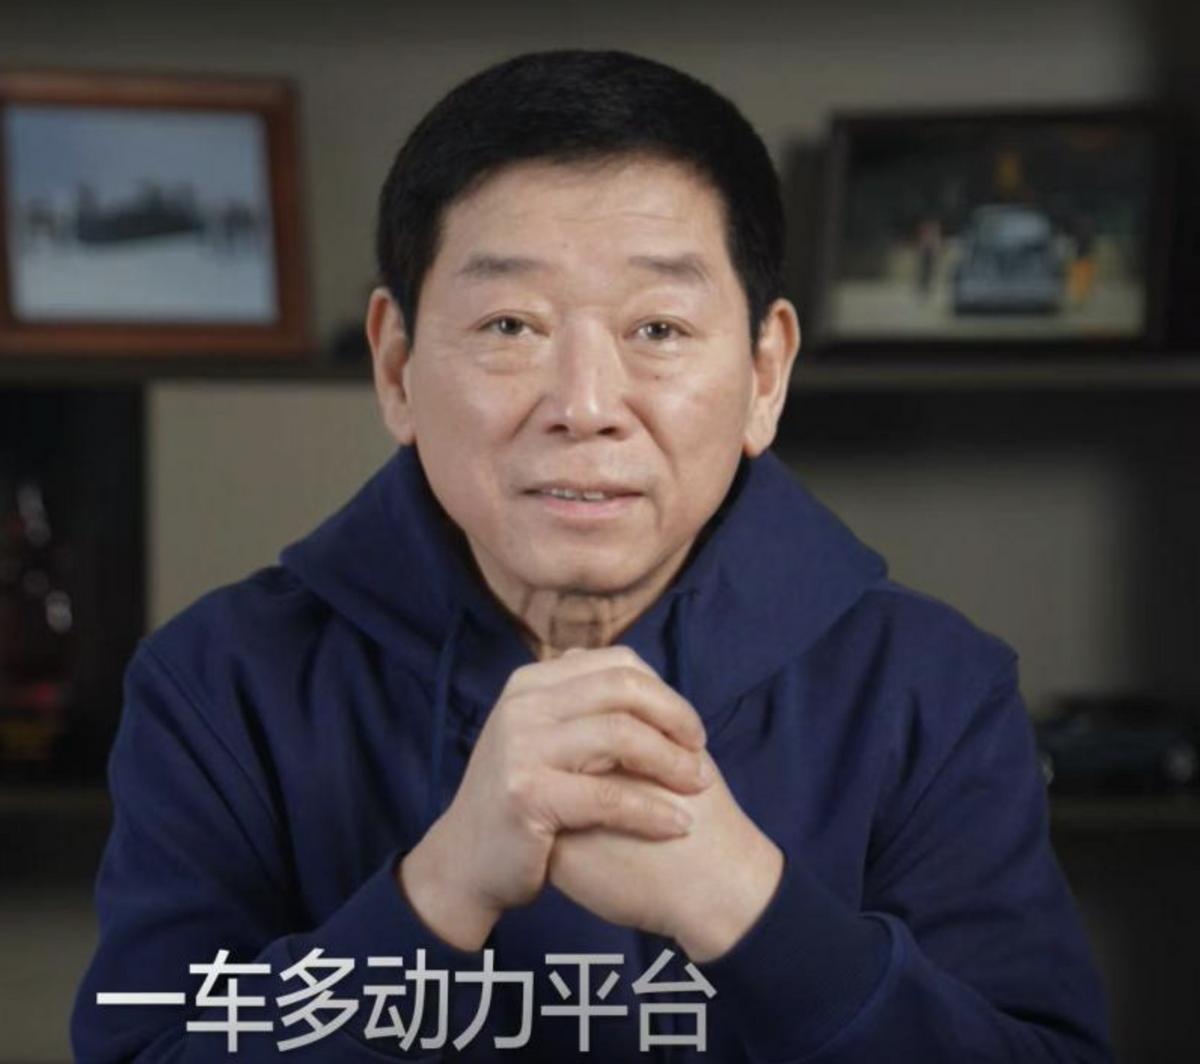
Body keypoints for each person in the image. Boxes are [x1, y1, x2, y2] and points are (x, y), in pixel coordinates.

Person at [71, 50, 1112, 1062]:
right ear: (395, 366)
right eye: (510, 324)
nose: (584, 404)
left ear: (764, 375)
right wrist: (435, 895)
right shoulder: (219, 682)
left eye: (658, 328)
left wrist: (751, 907)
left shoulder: (932, 689)